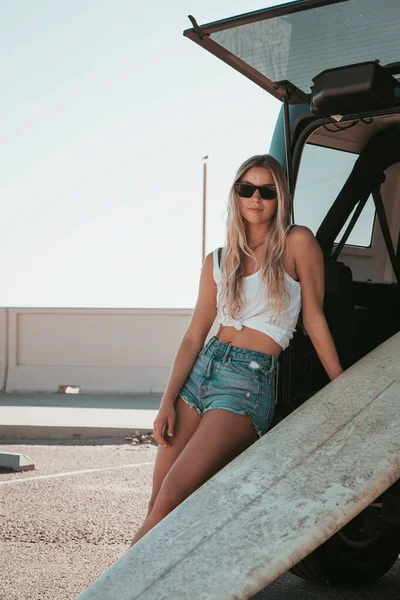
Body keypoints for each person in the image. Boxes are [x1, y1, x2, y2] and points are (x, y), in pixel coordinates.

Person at [130, 154, 343, 547]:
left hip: (246, 381)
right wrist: (166, 401)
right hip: (201, 373)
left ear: (280, 197)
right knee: (157, 505)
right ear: (236, 194)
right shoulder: (219, 258)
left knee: (172, 500)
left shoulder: (298, 242)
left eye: (267, 191)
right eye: (247, 189)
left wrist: (342, 387)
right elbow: (194, 335)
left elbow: (314, 319)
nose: (256, 199)